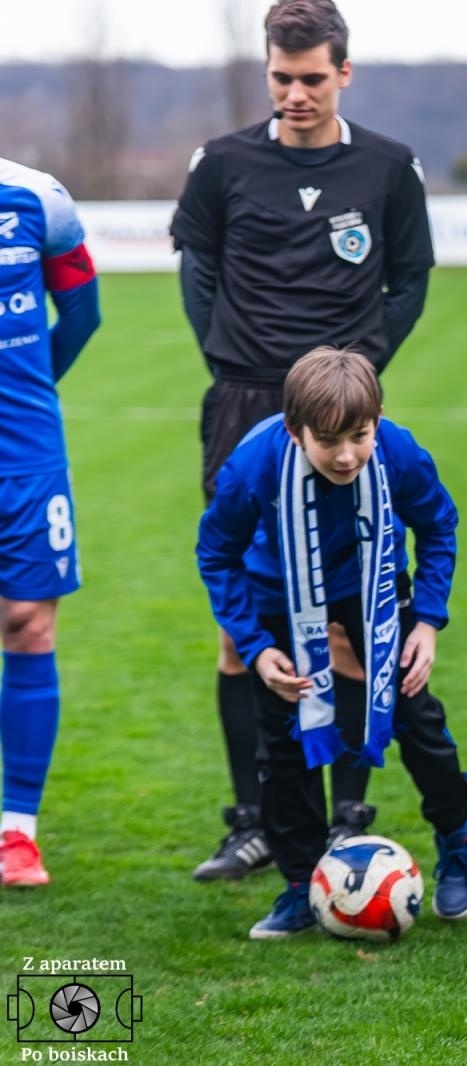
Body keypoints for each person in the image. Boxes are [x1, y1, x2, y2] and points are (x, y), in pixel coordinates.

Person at [171, 0, 435, 880]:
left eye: (312, 77)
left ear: (343, 73)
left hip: (344, 410)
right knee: (242, 625)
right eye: (281, 77)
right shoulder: (222, 163)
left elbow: (410, 278)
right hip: (246, 401)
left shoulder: (389, 166)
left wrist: (360, 370)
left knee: (352, 618)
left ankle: (348, 810)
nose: (295, 93)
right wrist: (229, 355)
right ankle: (253, 818)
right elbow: (199, 271)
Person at [196, 347, 467, 938]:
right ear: (294, 430)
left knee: (415, 714)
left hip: (369, 582)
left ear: (377, 421)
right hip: (279, 591)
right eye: (328, 441)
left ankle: (457, 836)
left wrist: (426, 621)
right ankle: (301, 883)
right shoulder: (252, 464)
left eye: (360, 435)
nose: (347, 455)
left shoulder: (398, 451)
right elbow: (217, 553)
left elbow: (437, 524)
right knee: (283, 739)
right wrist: (255, 647)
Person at [0, 160, 101, 887]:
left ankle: (17, 834)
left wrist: (31, 393)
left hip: (26, 459)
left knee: (29, 624)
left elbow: (83, 313)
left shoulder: (38, 199)